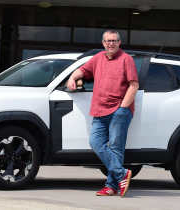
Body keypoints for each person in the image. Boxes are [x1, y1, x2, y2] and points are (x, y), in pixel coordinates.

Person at [66, 30, 139, 197]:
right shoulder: (98, 58)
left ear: (119, 43)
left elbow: (133, 85)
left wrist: (123, 109)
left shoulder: (126, 59)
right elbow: (82, 71)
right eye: (107, 41)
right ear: (103, 43)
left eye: (114, 40)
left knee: (115, 148)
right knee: (95, 142)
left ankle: (111, 186)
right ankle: (122, 174)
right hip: (99, 110)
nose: (110, 43)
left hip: (119, 110)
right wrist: (71, 78)